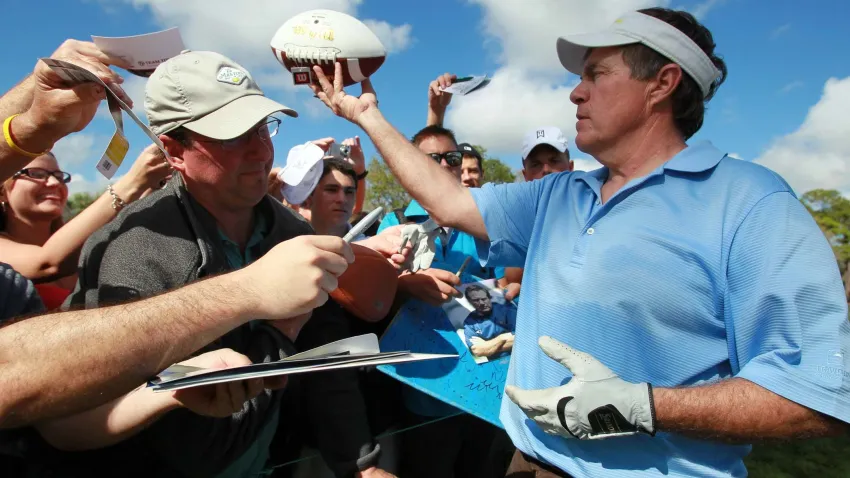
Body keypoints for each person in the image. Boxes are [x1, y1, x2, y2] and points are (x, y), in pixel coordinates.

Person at [307, 6, 850, 477]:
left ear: (661, 84)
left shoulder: (750, 204)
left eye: (597, 73)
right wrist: (367, 116)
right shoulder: (558, 195)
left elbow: (820, 396)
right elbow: (448, 201)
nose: (576, 90)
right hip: (523, 462)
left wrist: (644, 407)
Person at [0, 38, 353, 442]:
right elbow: (64, 422)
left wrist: (360, 461)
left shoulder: (294, 234)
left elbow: (331, 366)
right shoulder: (130, 250)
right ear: (173, 150)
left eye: (262, 127)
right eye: (233, 135)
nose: (260, 151)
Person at [0, 147, 170, 309]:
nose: (54, 182)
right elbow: (47, 263)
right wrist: (132, 183)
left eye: (59, 176)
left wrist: (152, 187)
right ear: (2, 191)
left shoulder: (82, 243)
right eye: (36, 174)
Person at [462, 285, 516, 359]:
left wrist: (487, 346)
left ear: (489, 298)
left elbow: (522, 337)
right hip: (495, 365)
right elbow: (477, 351)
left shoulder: (506, 310)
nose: (481, 303)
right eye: (476, 300)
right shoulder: (469, 322)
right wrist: (503, 338)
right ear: (470, 302)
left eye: (484, 299)